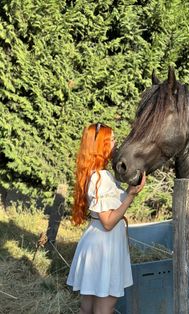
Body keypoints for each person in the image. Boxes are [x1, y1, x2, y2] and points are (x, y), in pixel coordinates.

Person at [66, 123, 146, 314]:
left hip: (98, 243)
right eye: (111, 140)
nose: (115, 143)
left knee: (88, 307)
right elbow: (109, 222)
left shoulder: (97, 175)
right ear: (100, 145)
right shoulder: (101, 177)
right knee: (104, 308)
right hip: (104, 247)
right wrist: (131, 196)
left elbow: (110, 208)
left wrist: (128, 192)